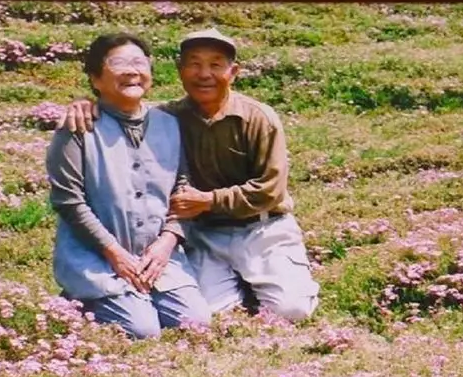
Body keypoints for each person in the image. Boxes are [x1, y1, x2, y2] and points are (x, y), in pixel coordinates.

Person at [59, 28, 320, 322]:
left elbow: (270, 189)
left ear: (233, 72)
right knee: (204, 315)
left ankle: (271, 276)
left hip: (263, 229)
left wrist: (209, 200)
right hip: (206, 233)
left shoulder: (259, 117)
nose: (204, 73)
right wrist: (87, 102)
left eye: (216, 64)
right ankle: (245, 285)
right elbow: (125, 106)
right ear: (180, 71)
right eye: (194, 64)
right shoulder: (170, 117)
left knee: (292, 311)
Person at [46, 33, 210, 339]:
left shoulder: (170, 122)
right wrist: (115, 254)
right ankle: (80, 298)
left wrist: (168, 242)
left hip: (158, 258)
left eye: (139, 62)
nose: (132, 71)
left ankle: (142, 293)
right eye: (118, 63)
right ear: (95, 78)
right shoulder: (76, 128)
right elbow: (69, 202)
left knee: (197, 323)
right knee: (143, 330)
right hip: (97, 258)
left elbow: (182, 188)